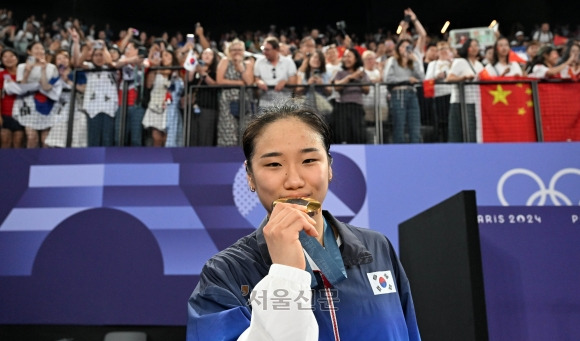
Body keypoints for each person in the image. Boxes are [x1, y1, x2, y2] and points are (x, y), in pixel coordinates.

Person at [186, 101, 421, 341]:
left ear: (329, 167)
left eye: (309, 160)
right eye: (274, 164)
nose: (294, 181)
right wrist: (286, 276)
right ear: (250, 176)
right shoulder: (225, 272)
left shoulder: (376, 247)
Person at [384, 38, 424, 144]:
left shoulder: (413, 62)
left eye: (408, 47)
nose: (406, 49)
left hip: (412, 93)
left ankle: (415, 151)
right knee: (399, 124)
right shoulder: (392, 60)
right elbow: (387, 78)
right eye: (404, 46)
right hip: (398, 94)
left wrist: (415, 61)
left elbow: (422, 78)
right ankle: (399, 151)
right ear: (399, 49)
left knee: (415, 125)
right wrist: (406, 80)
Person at [216, 39, 255, 146]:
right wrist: (239, 82)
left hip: (245, 100)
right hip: (228, 100)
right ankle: (227, 157)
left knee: (245, 129)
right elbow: (219, 80)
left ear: (243, 51)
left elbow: (249, 81)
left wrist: (240, 67)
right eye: (233, 49)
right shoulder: (225, 61)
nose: (236, 52)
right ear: (229, 51)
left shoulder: (248, 63)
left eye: (239, 49)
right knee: (229, 130)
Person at [445, 38, 484, 142]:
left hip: (476, 102)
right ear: (467, 48)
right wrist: (463, 78)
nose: (475, 48)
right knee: (458, 133)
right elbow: (449, 78)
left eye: (477, 45)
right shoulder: (460, 62)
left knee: (473, 132)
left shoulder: (480, 65)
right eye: (472, 46)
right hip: (460, 102)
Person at [331, 47, 370, 144]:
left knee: (358, 135)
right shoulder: (340, 73)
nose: (346, 59)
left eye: (349, 56)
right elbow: (337, 87)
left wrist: (359, 79)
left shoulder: (362, 74)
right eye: (345, 57)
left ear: (356, 59)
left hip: (357, 107)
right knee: (342, 134)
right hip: (342, 107)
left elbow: (366, 90)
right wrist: (350, 78)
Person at [142, 47, 179, 147]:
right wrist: (154, 68)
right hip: (155, 106)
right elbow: (149, 85)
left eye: (167, 55)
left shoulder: (176, 73)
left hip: (170, 109)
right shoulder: (155, 71)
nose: (164, 58)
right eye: (163, 56)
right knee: (156, 137)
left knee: (167, 138)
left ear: (172, 58)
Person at [187, 47, 220, 146]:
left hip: (208, 108)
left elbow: (215, 85)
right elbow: (188, 82)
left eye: (210, 54)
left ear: (214, 58)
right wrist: (193, 70)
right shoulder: (195, 71)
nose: (206, 55)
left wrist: (203, 73)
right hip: (193, 107)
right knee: (192, 136)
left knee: (205, 137)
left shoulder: (216, 72)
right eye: (204, 53)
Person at [254, 36, 297, 109]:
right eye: (263, 49)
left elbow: (294, 81)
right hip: (265, 103)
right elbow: (256, 78)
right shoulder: (259, 62)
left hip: (285, 104)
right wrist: (259, 82)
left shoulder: (288, 62)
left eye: (267, 50)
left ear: (276, 49)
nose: (264, 52)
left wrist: (285, 82)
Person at [0, 48, 24, 148]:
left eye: (11, 56)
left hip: (22, 115)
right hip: (6, 113)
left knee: (18, 143)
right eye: (5, 57)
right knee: (5, 142)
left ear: (17, 58)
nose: (8, 59)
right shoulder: (1, 75)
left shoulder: (24, 73)